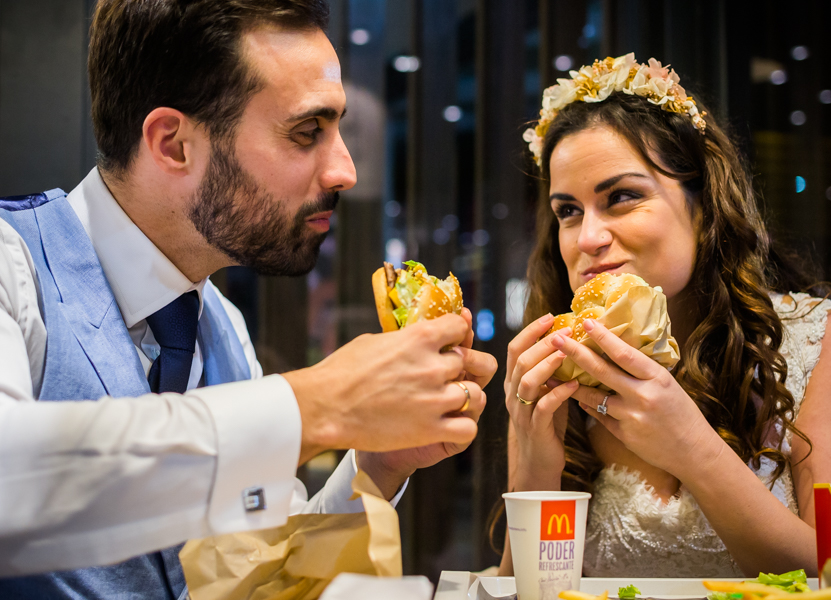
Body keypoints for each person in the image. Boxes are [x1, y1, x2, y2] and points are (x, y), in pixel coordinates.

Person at [0, 0, 497, 596]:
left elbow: (263, 574)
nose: (346, 171)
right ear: (173, 144)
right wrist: (319, 402)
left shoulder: (223, 327)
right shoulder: (13, 266)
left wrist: (378, 462)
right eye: (307, 131)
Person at [499, 54, 831, 577]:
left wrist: (691, 449)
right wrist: (535, 472)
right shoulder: (556, 369)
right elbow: (518, 587)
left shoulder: (815, 338)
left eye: (621, 197)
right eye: (568, 210)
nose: (587, 238)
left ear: (702, 202)